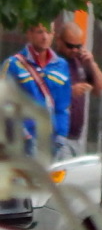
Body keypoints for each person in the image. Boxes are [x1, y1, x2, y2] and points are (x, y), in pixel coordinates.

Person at [4, 22, 72, 159]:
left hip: (51, 142)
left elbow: (63, 106)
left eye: (48, 32)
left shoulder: (61, 65)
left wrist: (61, 136)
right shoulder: (13, 64)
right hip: (21, 141)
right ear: (29, 34)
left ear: (53, 35)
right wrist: (23, 134)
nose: (45, 37)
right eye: (40, 32)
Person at [55, 21, 102, 156]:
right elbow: (43, 95)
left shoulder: (80, 61)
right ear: (59, 41)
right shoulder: (52, 62)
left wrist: (91, 64)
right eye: (70, 46)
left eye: (78, 46)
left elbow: (101, 88)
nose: (74, 50)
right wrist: (70, 92)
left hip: (76, 137)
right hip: (58, 135)